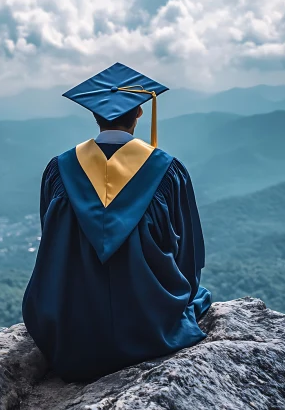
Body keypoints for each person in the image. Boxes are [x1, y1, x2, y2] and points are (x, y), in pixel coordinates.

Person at [22, 62, 212, 382]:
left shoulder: (59, 170)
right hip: (148, 326)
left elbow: (51, 243)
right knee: (198, 296)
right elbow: (188, 256)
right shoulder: (167, 171)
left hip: (72, 331)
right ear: (138, 113)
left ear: (94, 114)